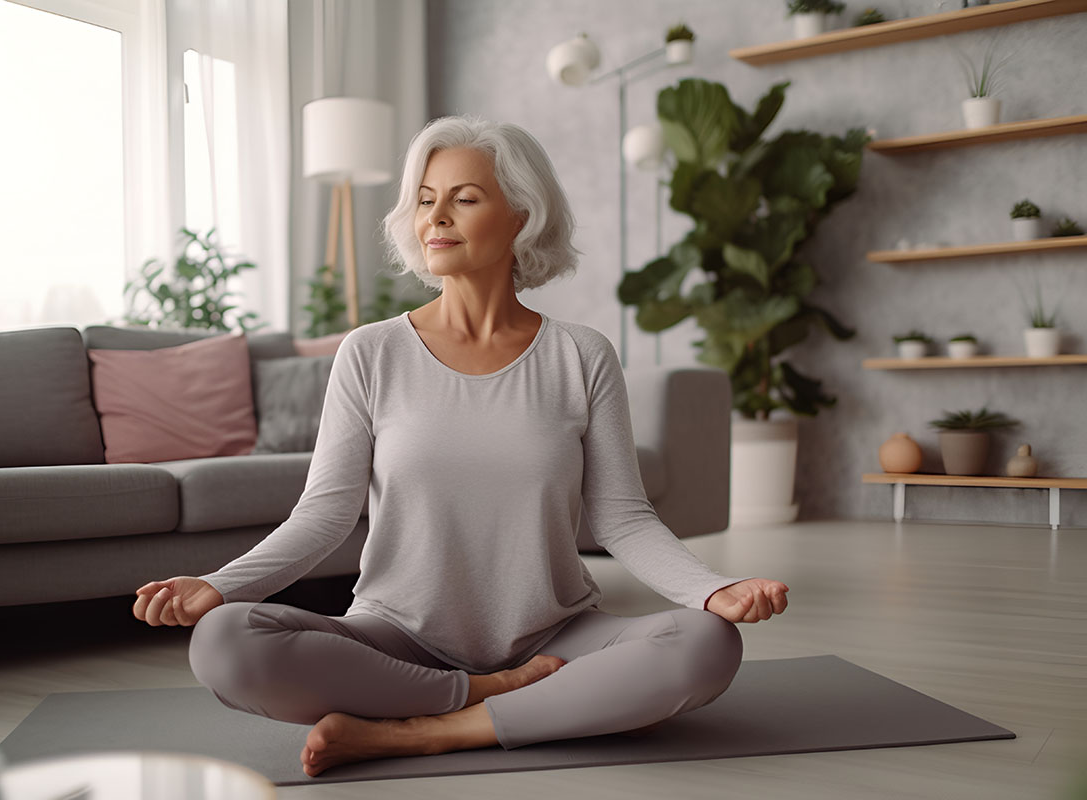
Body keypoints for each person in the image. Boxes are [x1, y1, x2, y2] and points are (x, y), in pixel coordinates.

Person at [132, 115, 789, 779]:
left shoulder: (582, 355)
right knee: (224, 643)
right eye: (424, 198)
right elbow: (324, 516)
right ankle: (483, 699)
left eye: (464, 198)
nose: (435, 216)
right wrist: (218, 587)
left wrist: (714, 590)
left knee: (706, 643)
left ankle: (428, 732)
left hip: (554, 635)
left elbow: (622, 517)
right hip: (396, 637)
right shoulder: (370, 352)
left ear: (522, 217)